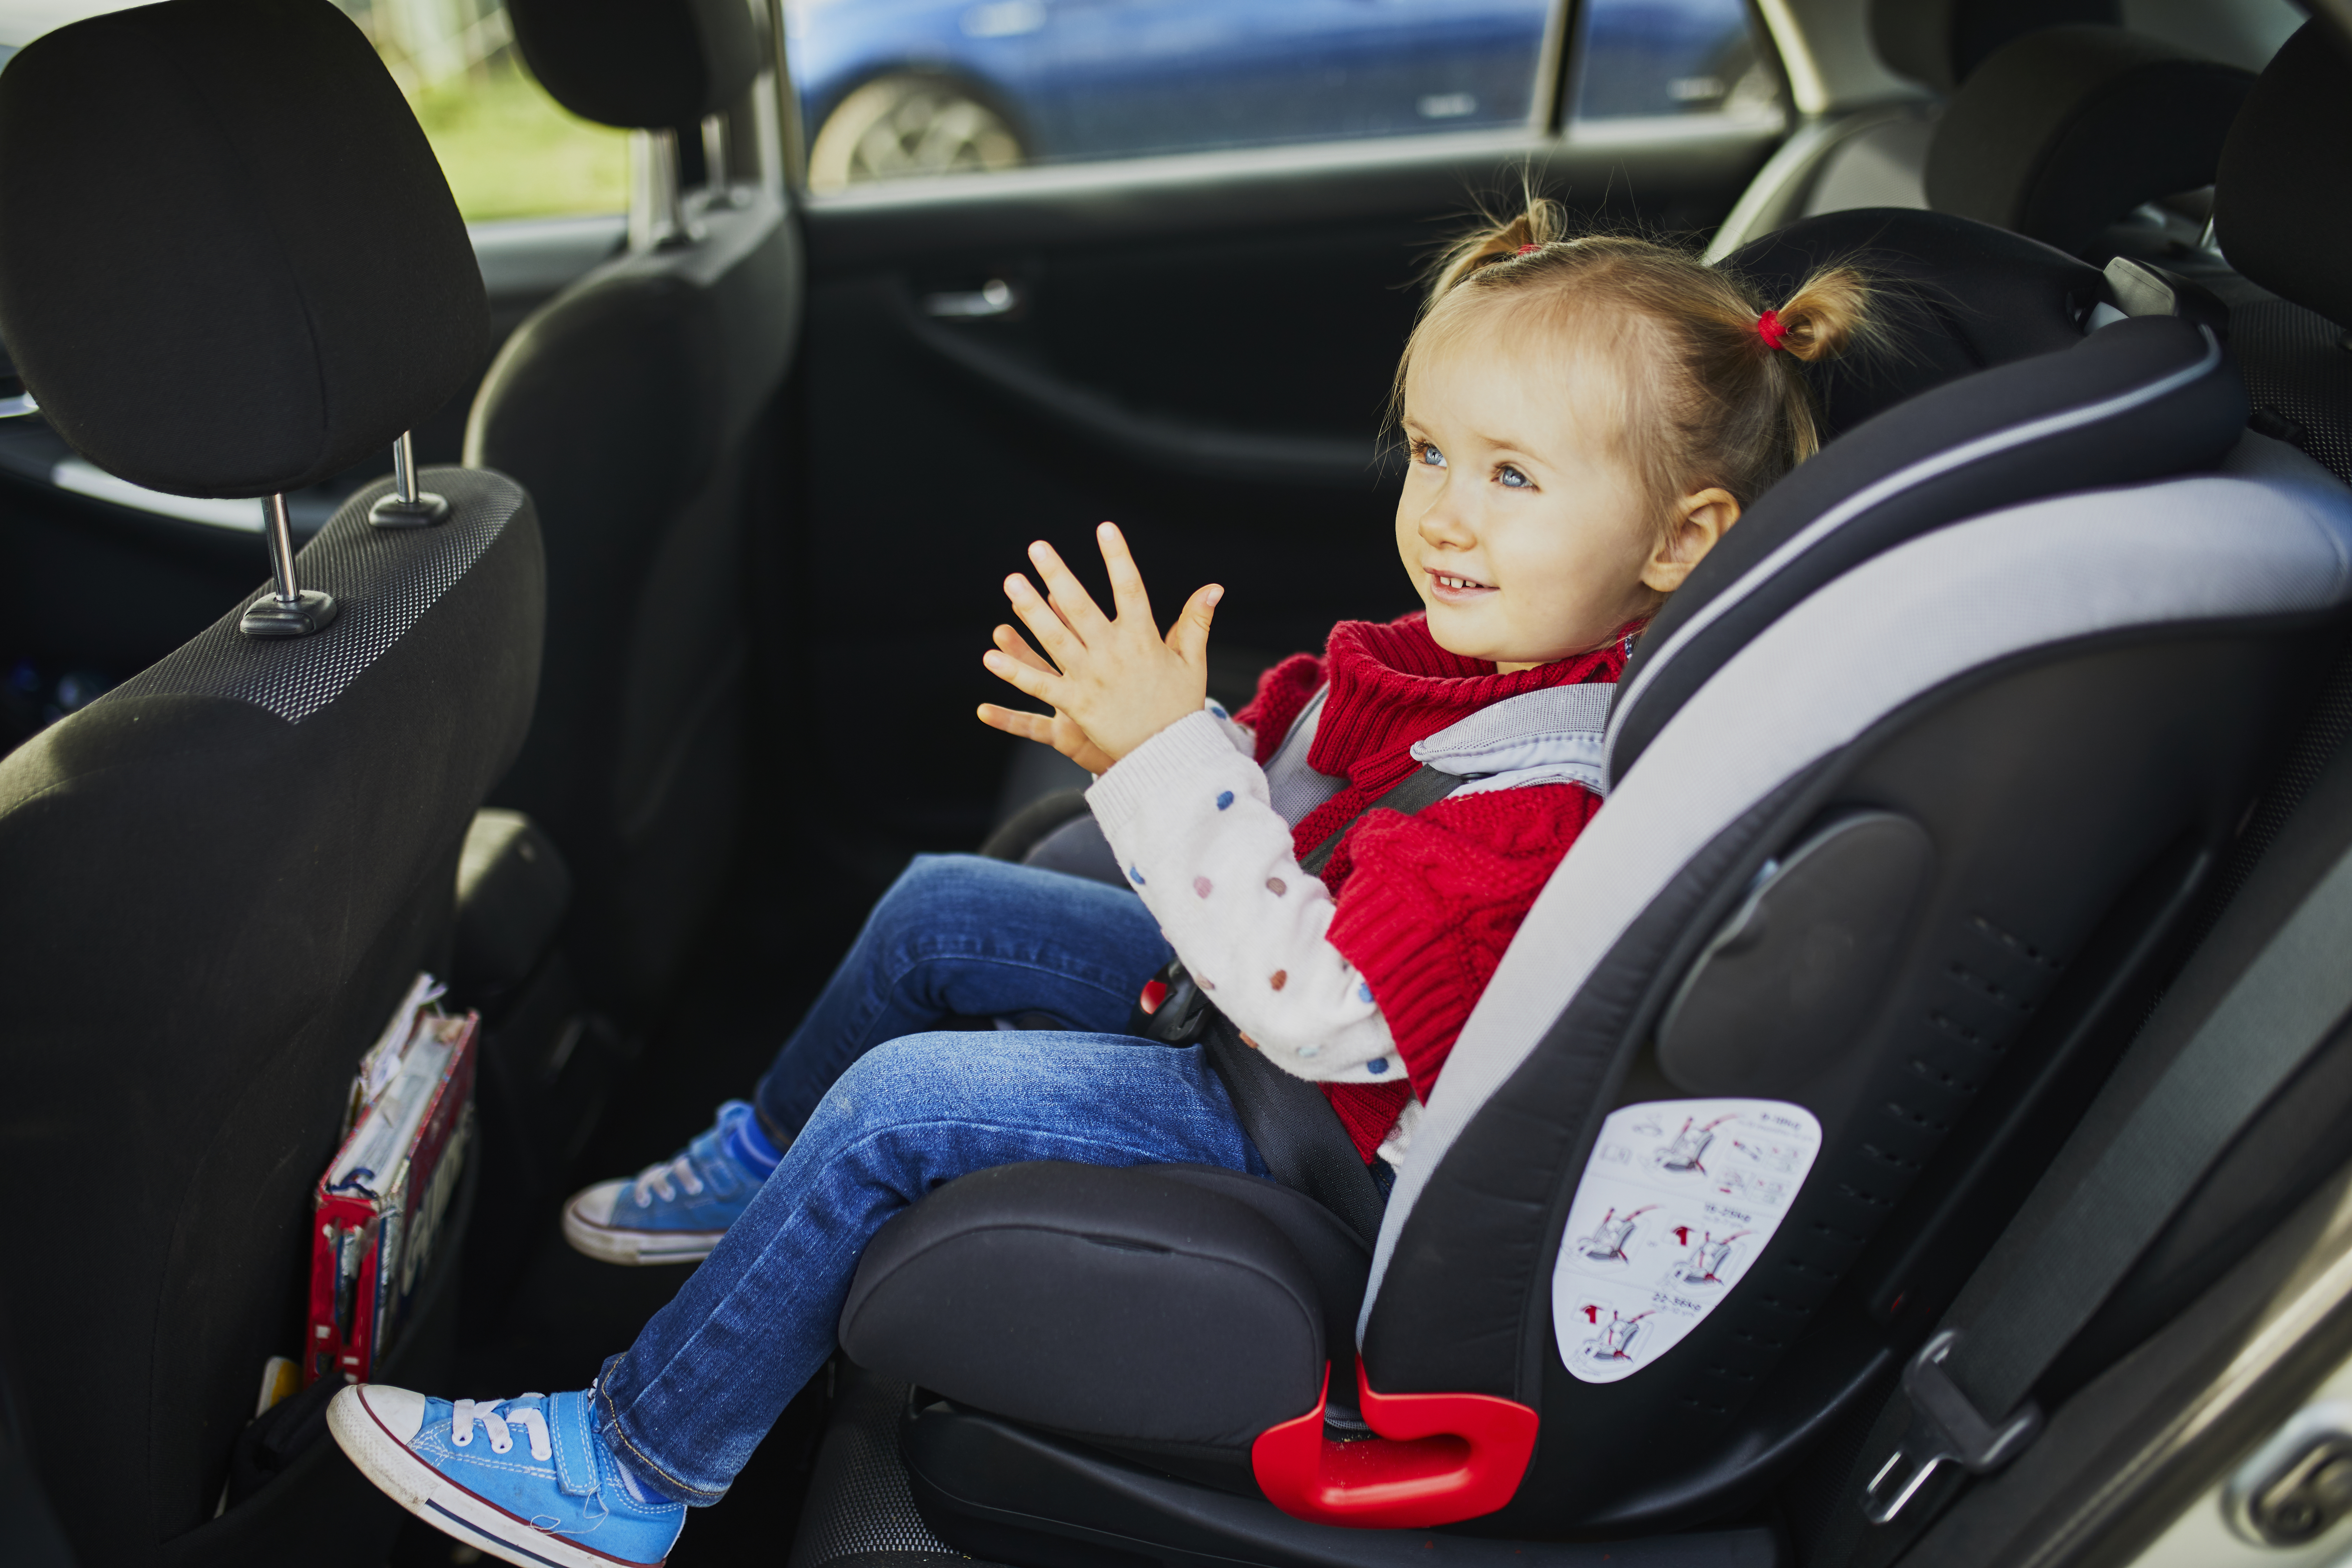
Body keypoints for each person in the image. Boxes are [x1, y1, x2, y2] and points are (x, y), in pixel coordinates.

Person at [328, 201, 1878, 1568]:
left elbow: (1326, 1012)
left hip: (1318, 1130)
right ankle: (762, 1163)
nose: (1446, 511)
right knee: (941, 903)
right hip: (1267, 1022)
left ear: (1683, 539)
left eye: (1514, 476)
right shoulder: (1473, 673)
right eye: (1430, 453)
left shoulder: (1545, 791)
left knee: (906, 1106)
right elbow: (1310, 802)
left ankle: (634, 1466)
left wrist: (1160, 767)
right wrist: (1159, 730)